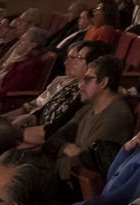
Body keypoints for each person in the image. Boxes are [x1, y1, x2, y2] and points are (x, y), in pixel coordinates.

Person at [47, 54, 135, 186]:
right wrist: (67, 146)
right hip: (62, 173)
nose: (80, 85)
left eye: (87, 80)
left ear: (104, 82)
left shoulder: (118, 116)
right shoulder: (87, 109)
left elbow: (83, 157)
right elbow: (53, 139)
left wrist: (64, 147)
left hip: (77, 185)